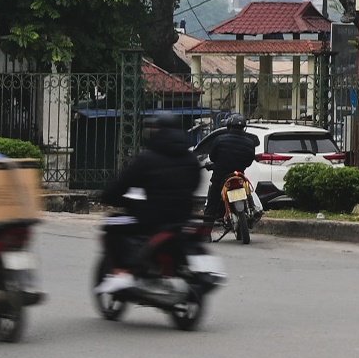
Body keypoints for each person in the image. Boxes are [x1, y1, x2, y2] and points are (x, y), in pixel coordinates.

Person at [96, 117, 203, 291]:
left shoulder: (148, 158)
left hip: (150, 219)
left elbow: (122, 183)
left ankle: (121, 272)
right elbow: (196, 185)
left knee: (112, 223)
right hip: (182, 219)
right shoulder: (191, 159)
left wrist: (108, 196)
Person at [198, 117, 260, 230]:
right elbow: (249, 161)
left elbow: (212, 157)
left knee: (212, 203)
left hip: (220, 176)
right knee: (249, 193)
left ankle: (205, 232)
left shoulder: (220, 139)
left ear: (229, 126)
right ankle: (253, 210)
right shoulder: (250, 143)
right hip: (238, 175)